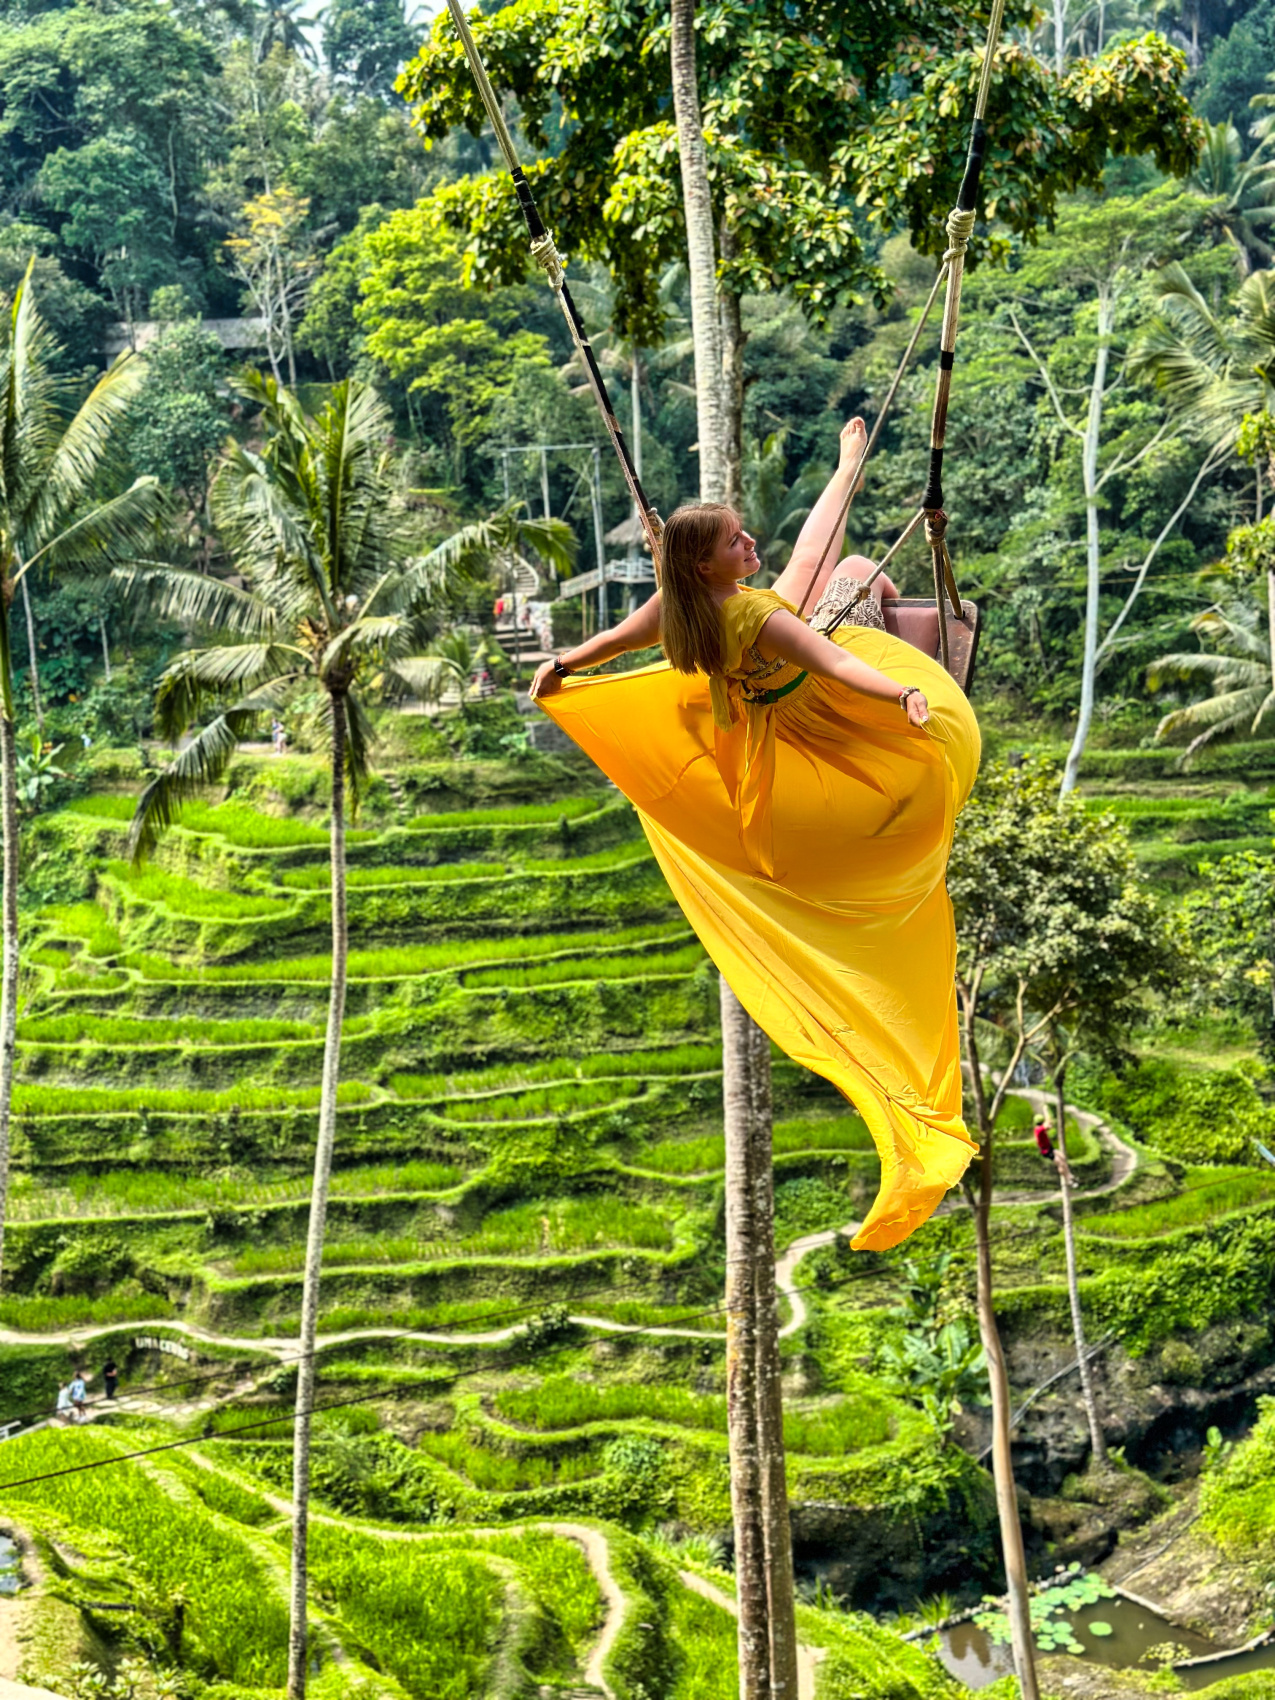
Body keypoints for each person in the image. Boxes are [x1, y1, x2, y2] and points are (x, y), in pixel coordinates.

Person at [531, 418, 981, 1251]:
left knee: (833, 569)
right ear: (711, 566)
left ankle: (873, 573)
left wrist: (562, 666)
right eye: (738, 542)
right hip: (827, 731)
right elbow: (839, 661)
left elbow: (612, 643)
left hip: (757, 758)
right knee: (848, 580)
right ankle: (908, 642)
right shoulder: (755, 617)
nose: (750, 543)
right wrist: (901, 700)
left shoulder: (680, 610)